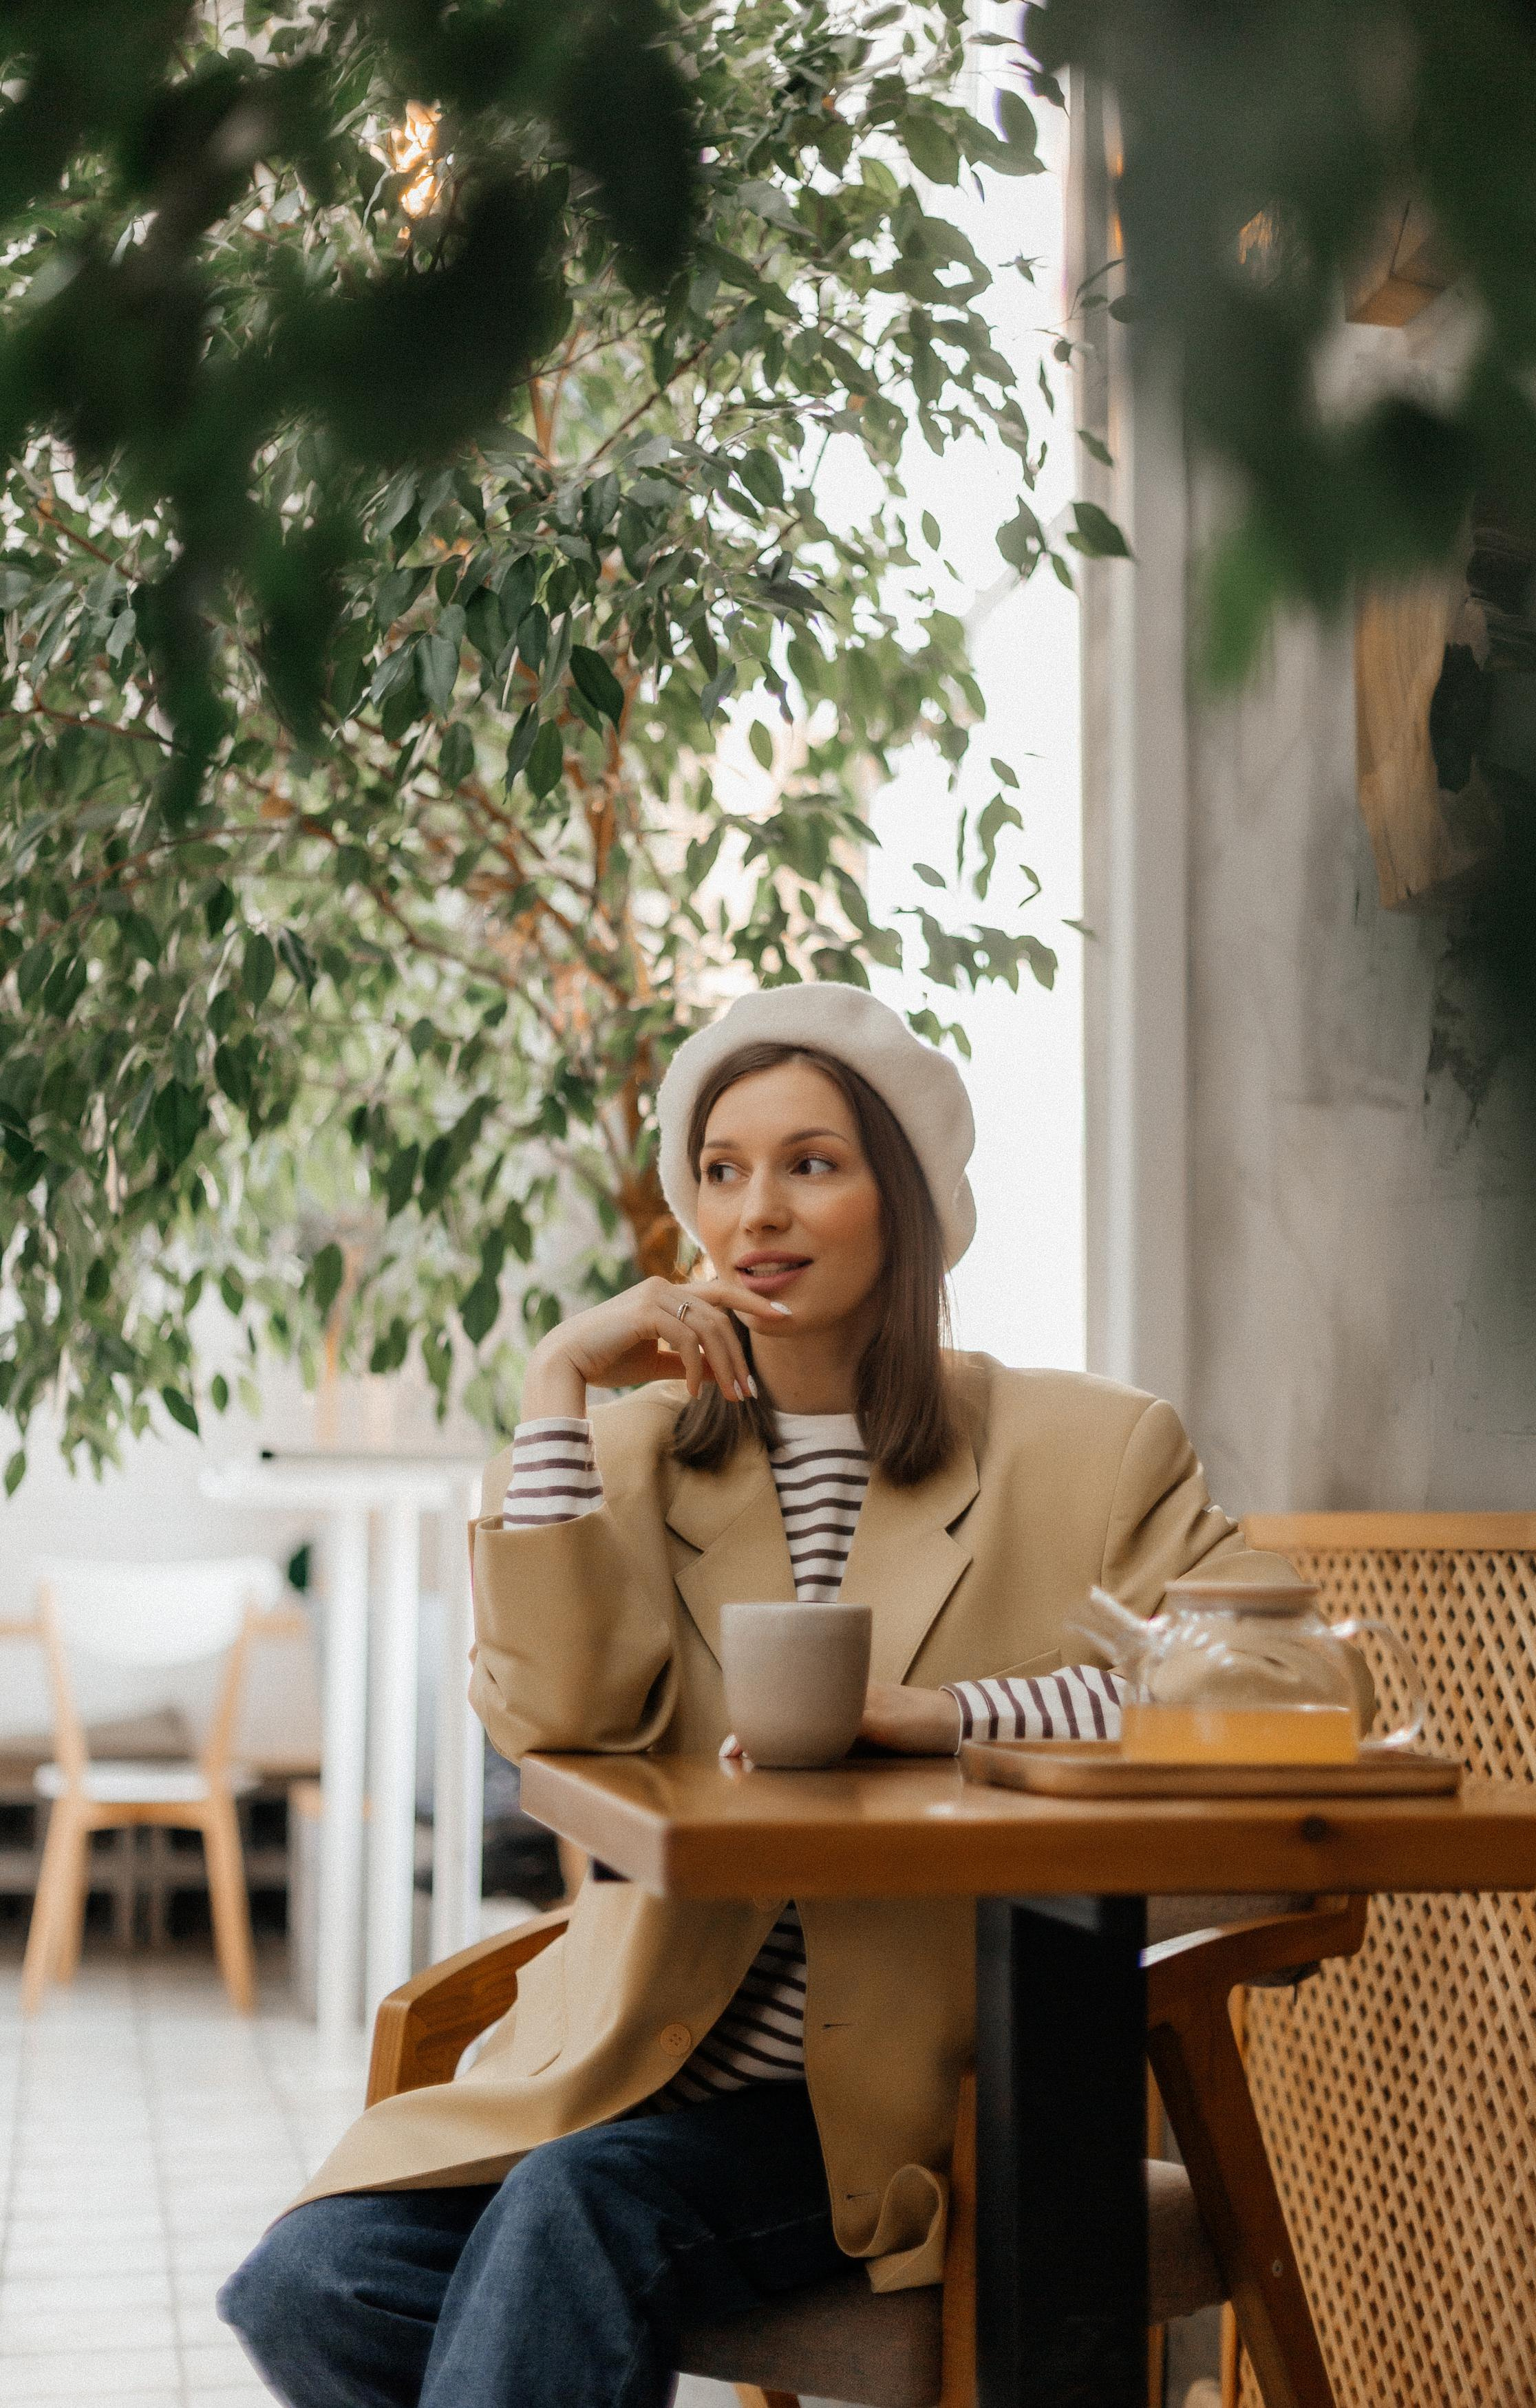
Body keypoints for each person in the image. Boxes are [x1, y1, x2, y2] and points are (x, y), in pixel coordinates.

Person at [221, 982, 1294, 2408]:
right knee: (311, 2281)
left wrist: (954, 1717)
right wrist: (558, 1380)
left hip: (915, 2102)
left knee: (577, 2215)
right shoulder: (635, 1451)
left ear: (900, 1202)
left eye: (812, 1164)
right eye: (721, 1172)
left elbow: (1276, 1690)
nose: (757, 1212)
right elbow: (557, 1722)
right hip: (629, 2058)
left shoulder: (1086, 1450)